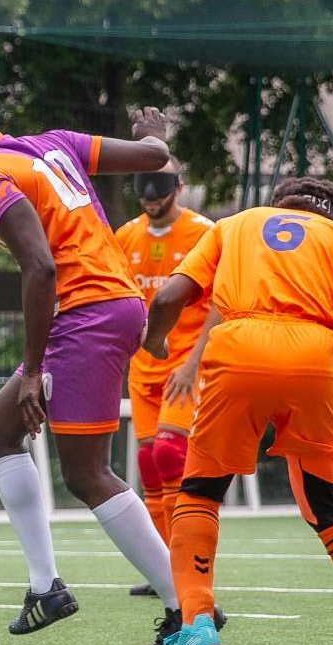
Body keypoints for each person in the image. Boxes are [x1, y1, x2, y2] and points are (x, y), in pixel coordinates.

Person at [0, 107, 182, 645]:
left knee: (87, 474)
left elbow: (41, 267)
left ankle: (187, 608)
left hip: (85, 314)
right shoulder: (54, 142)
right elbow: (154, 158)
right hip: (110, 305)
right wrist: (154, 136)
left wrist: (33, 371)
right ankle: (45, 588)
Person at [143, 176, 333, 645]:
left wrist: (154, 339)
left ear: (279, 205)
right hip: (314, 362)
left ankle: (196, 626)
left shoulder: (234, 225)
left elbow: (169, 296)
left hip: (238, 353)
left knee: (199, 491)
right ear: (331, 215)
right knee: (324, 502)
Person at [115, 157, 218, 598]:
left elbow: (221, 301)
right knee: (148, 464)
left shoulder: (205, 233)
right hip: (143, 368)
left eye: (160, 188)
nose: (150, 198)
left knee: (170, 454)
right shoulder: (125, 235)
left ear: (179, 185)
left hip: (186, 367)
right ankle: (163, 570)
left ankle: (184, 566)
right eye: (143, 188)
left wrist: (193, 362)